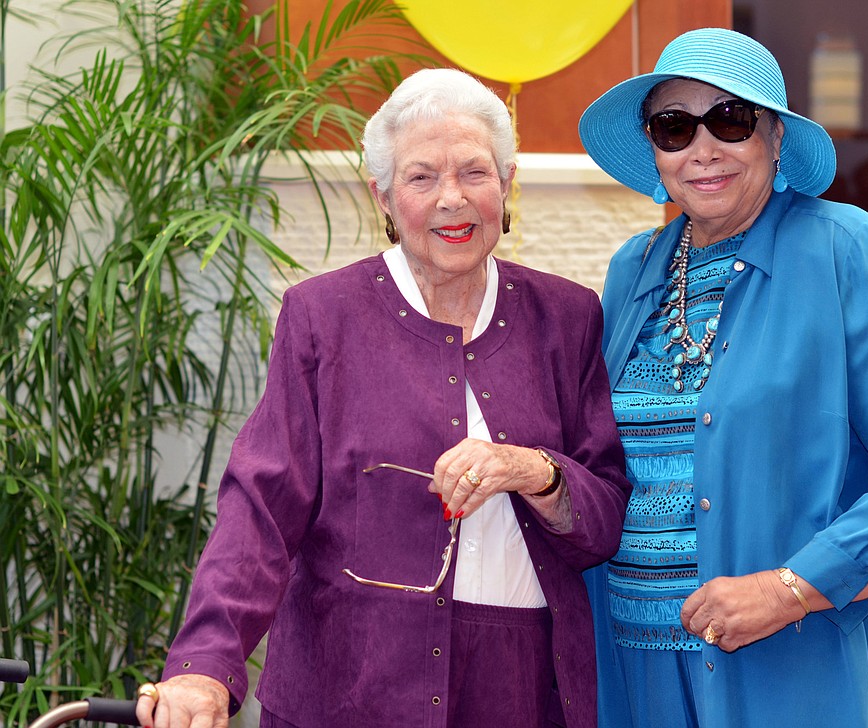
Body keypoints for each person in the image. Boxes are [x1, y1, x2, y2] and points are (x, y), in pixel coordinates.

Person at [135, 67, 631, 728]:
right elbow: (262, 503)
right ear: (384, 198)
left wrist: (533, 471)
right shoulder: (323, 316)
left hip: (522, 688)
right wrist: (201, 664)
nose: (451, 199)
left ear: (507, 185)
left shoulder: (565, 318)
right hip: (353, 684)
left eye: (475, 173)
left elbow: (604, 519)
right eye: (421, 177)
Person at [577, 28, 868, 727]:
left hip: (789, 659)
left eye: (730, 121)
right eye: (674, 127)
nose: (703, 150)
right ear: (654, 149)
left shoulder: (845, 248)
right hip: (632, 663)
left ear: (774, 139)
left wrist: (791, 588)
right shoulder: (631, 270)